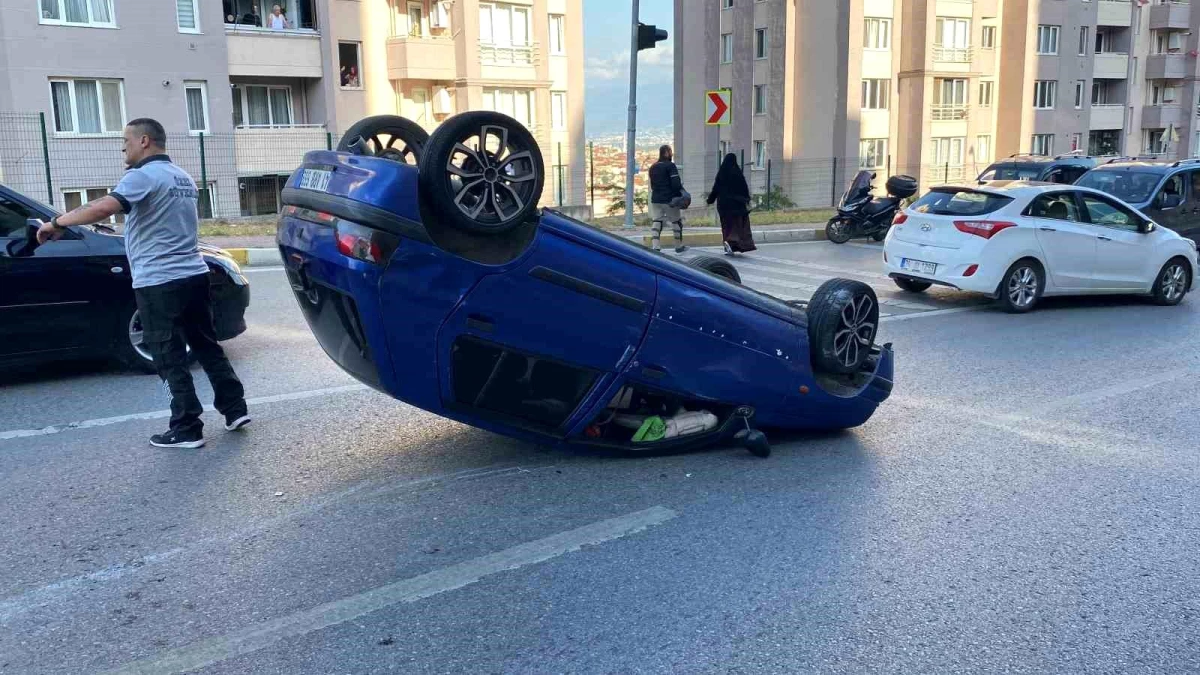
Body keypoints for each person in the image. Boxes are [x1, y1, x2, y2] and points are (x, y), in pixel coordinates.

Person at [37, 119, 250, 449]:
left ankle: (186, 428)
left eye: (126, 141)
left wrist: (57, 222)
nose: (124, 147)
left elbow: (105, 206)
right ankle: (235, 410)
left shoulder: (141, 176)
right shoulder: (181, 177)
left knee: (167, 356)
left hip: (159, 281)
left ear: (145, 141)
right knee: (207, 345)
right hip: (193, 274)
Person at [707, 153, 757, 255]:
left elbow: (716, 188)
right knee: (737, 227)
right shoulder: (738, 173)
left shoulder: (721, 173)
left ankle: (728, 246)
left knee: (726, 226)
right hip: (737, 206)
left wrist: (710, 200)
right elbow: (744, 189)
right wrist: (746, 200)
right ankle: (735, 246)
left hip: (724, 206)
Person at [648, 145, 686, 253]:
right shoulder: (670, 166)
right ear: (667, 153)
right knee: (676, 222)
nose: (671, 154)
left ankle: (656, 246)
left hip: (656, 199)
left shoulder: (653, 167)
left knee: (657, 220)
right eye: (670, 152)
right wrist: (679, 194)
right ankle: (678, 246)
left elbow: (652, 185)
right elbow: (676, 183)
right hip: (669, 199)